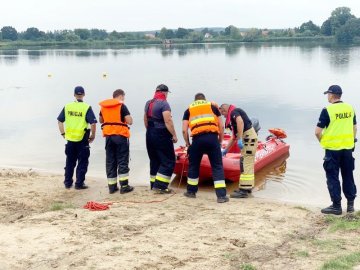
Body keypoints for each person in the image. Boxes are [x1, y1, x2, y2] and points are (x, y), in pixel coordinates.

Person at [315, 85, 357, 215]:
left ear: (332, 95)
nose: (328, 96)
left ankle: (336, 206)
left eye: (328, 94)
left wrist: (323, 141)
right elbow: (354, 128)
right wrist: (352, 142)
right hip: (348, 149)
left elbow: (317, 132)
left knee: (333, 177)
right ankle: (350, 206)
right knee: (348, 175)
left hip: (333, 149)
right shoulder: (350, 108)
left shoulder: (327, 110)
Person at [182, 93, 229, 203]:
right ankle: (221, 196)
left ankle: (191, 192)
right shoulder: (213, 107)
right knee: (217, 166)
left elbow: (184, 130)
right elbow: (221, 126)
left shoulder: (188, 110)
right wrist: (220, 140)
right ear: (204, 99)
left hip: (197, 140)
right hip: (212, 138)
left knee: (194, 166)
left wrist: (188, 144)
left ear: (195, 100)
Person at [57, 86, 97, 190]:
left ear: (74, 95)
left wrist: (63, 134)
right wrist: (93, 135)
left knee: (70, 161)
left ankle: (68, 182)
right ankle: (79, 183)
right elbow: (93, 123)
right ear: (83, 94)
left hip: (70, 139)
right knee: (82, 162)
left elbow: (60, 121)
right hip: (82, 139)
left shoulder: (67, 106)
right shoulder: (86, 107)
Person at [219, 104, 258, 198]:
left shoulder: (234, 112)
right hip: (249, 139)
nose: (223, 116)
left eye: (223, 113)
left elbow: (240, 122)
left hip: (248, 139)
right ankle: (248, 187)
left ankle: (244, 190)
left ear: (224, 110)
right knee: (246, 163)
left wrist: (240, 139)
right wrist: (226, 150)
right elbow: (234, 137)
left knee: (245, 163)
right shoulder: (234, 113)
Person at [144, 84, 178, 193]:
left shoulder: (148, 103)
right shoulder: (164, 104)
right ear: (164, 92)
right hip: (161, 134)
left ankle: (153, 185)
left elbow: (145, 119)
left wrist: (150, 131)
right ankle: (160, 187)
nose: (167, 95)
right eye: (167, 93)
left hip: (149, 133)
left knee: (154, 160)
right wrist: (174, 135)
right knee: (168, 161)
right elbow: (168, 121)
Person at [99, 89, 134, 194]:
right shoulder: (121, 106)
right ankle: (124, 186)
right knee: (122, 160)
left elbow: (101, 120)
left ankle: (112, 187)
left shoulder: (104, 107)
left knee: (110, 161)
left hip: (109, 137)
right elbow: (129, 121)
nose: (123, 99)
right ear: (121, 96)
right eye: (123, 97)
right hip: (120, 136)